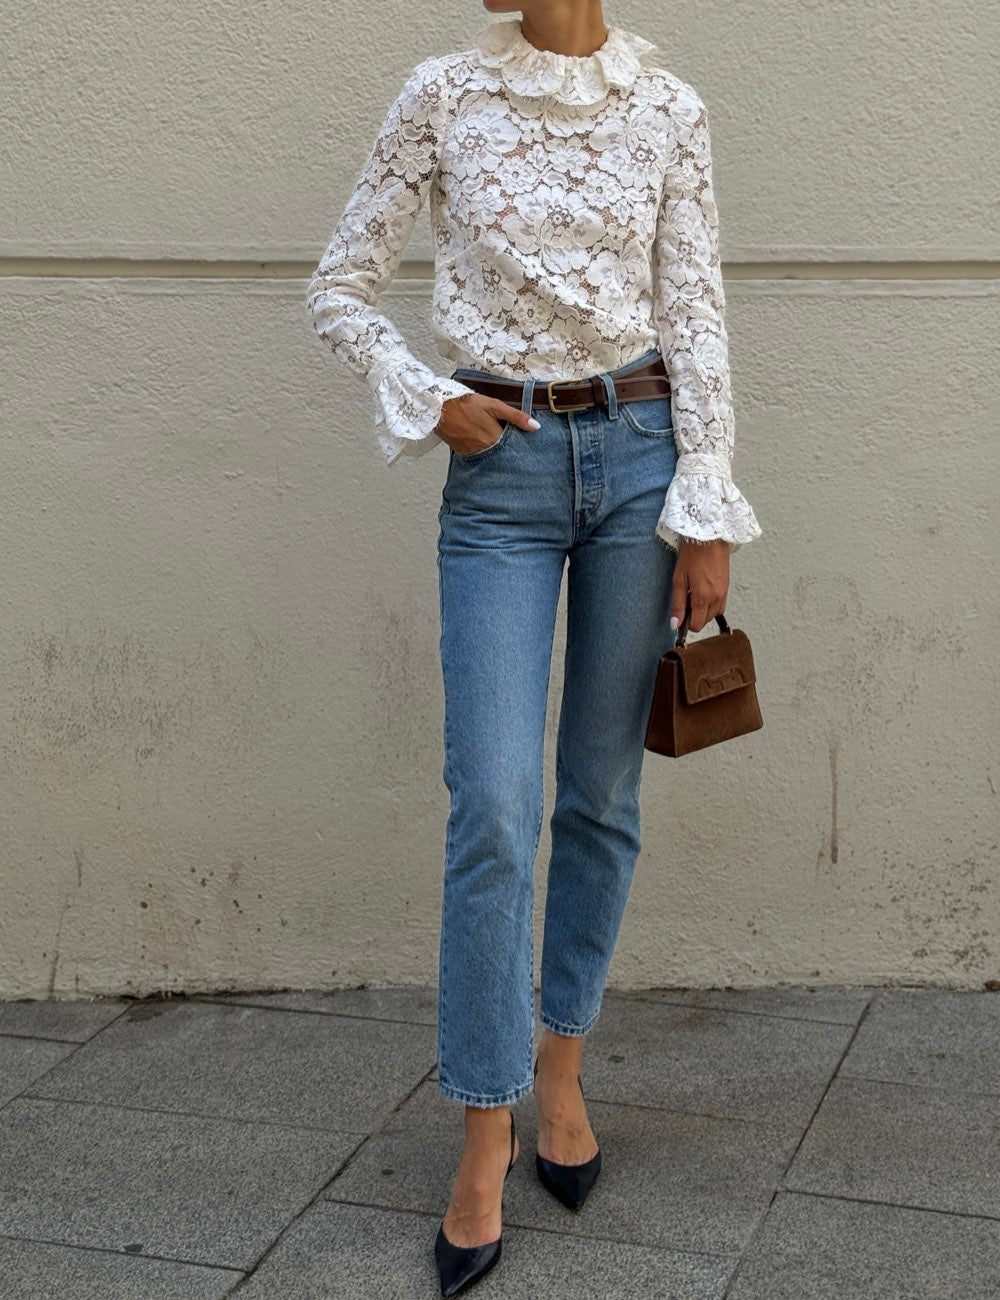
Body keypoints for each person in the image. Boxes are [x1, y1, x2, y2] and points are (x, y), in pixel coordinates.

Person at [306, 2, 762, 1292]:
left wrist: (706, 503)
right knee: (496, 806)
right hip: (500, 480)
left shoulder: (669, 107)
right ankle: (485, 1122)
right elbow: (340, 283)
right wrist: (427, 393)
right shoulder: (445, 92)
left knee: (601, 794)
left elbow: (697, 304)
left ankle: (561, 1066)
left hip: (640, 457)